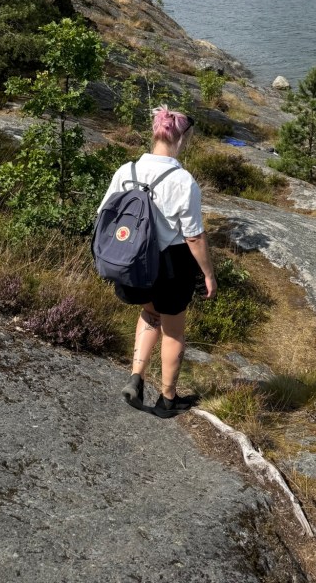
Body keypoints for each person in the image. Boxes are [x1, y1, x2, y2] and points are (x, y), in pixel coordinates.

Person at [97, 105, 217, 417]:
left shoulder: (127, 170)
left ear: (155, 133)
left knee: (150, 314)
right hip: (171, 266)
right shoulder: (183, 181)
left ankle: (135, 378)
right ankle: (167, 398)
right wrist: (208, 274)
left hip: (134, 261)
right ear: (182, 139)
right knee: (173, 331)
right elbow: (194, 237)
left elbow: (104, 213)